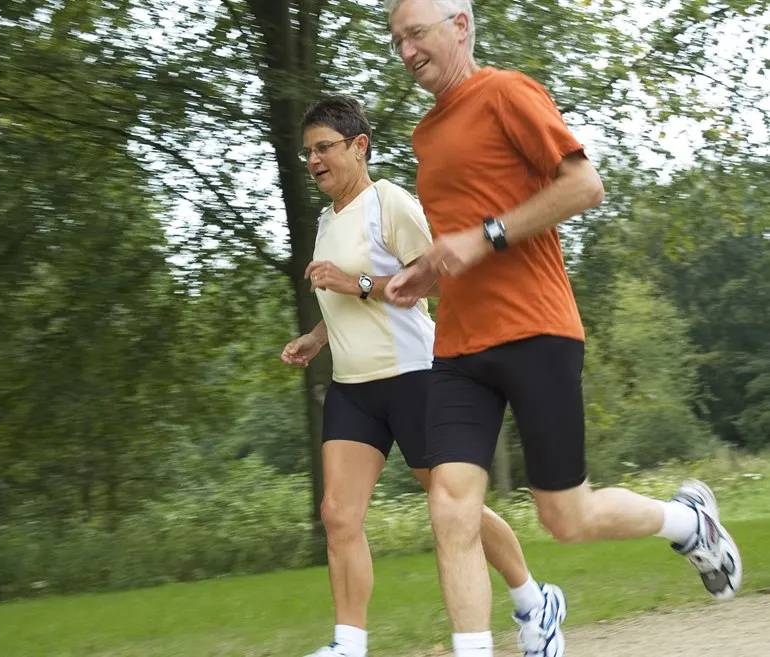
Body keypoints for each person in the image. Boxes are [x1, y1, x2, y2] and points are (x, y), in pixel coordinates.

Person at [381, 1, 743, 656]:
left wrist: (486, 236)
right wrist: (426, 273)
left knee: (566, 517)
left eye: (416, 34)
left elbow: (584, 186)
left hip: (535, 330)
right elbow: (459, 242)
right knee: (449, 506)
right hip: (459, 348)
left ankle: (689, 522)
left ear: (459, 25)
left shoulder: (507, 93)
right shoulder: (425, 135)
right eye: (396, 40)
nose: (406, 51)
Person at [282, 95, 565, 657]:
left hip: (414, 377)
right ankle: (348, 643)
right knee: (337, 514)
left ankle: (534, 600)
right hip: (353, 388)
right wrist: (317, 337)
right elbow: (343, 293)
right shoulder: (323, 219)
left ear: (359, 146)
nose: (313, 160)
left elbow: (436, 282)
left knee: (454, 507)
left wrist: (357, 285)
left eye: (324, 148)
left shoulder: (388, 202)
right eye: (307, 151)